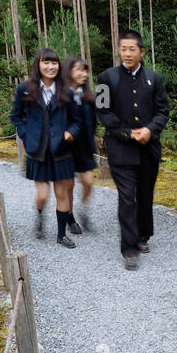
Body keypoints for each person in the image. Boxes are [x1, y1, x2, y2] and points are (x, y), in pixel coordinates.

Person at [96, 30, 169, 270]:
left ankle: (143, 236)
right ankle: (128, 248)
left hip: (149, 147)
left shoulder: (154, 79)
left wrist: (149, 129)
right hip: (120, 148)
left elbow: (163, 111)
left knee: (145, 194)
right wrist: (127, 133)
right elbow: (103, 112)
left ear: (142, 52)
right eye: (123, 49)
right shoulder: (106, 77)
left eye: (132, 49)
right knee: (127, 197)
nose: (127, 53)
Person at [10, 48, 82, 248]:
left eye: (54, 63)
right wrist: (26, 134)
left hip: (61, 150)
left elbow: (77, 121)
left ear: (59, 66)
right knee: (42, 195)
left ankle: (61, 234)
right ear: (38, 65)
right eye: (46, 63)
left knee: (62, 193)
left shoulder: (67, 91)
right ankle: (40, 216)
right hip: (37, 150)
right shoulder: (25, 89)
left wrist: (70, 133)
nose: (51, 67)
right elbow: (16, 117)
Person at [64, 54, 98, 234]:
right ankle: (69, 218)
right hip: (66, 146)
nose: (83, 74)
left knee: (88, 182)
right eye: (79, 70)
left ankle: (83, 211)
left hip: (84, 147)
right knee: (68, 184)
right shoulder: (60, 95)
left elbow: (93, 122)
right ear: (69, 72)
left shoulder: (89, 97)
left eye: (85, 70)